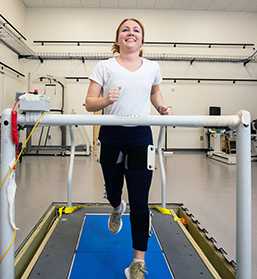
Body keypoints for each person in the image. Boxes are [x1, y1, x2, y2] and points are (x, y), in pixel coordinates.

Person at [85, 18, 172, 279]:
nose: (130, 33)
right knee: (113, 190)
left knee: (140, 200)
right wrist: (105, 99)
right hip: (110, 133)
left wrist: (162, 107)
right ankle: (115, 207)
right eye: (125, 30)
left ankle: (137, 262)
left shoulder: (152, 67)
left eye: (136, 30)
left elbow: (155, 92)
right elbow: (89, 103)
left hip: (140, 136)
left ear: (142, 40)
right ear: (118, 38)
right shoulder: (104, 66)